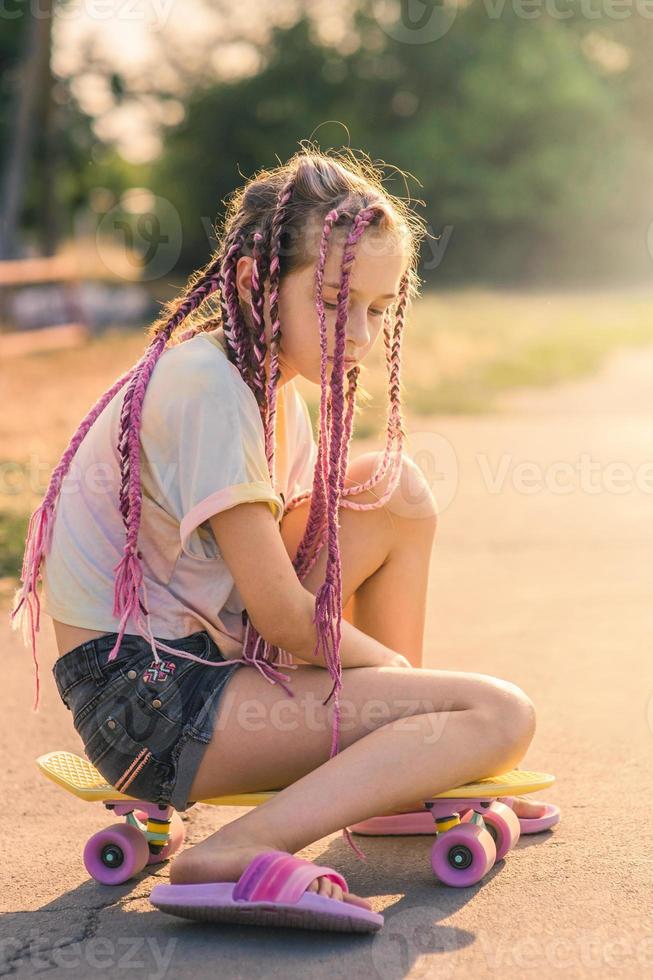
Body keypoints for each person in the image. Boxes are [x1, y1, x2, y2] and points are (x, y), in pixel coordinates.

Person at [11, 146, 552, 930]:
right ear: (252, 283)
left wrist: (399, 698)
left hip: (200, 665)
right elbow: (283, 616)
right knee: (499, 714)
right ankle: (233, 853)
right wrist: (400, 688)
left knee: (393, 489)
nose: (361, 335)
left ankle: (392, 781)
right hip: (148, 704)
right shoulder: (206, 388)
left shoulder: (272, 396)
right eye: (337, 305)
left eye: (379, 309)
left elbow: (297, 563)